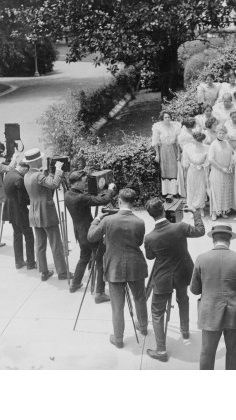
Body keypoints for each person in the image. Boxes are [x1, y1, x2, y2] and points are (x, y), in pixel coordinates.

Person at [144, 198, 205, 362]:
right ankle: (185, 331)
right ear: (164, 210)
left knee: (157, 313)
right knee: (183, 299)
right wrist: (195, 213)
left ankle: (161, 351)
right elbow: (200, 231)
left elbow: (150, 257)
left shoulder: (150, 238)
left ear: (150, 215)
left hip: (163, 278)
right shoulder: (180, 227)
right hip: (183, 273)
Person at [87, 188, 148, 349]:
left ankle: (119, 338)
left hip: (114, 267)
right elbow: (139, 242)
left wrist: (97, 218)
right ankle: (143, 327)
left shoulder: (108, 221)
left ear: (119, 201)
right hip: (135, 265)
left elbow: (91, 236)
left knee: (117, 306)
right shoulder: (140, 222)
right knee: (140, 299)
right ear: (133, 202)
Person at [190, 225, 236, 370]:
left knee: (207, 352)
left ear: (213, 239)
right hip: (235, 312)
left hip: (210, 312)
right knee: (234, 352)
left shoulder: (201, 258)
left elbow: (194, 289)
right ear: (229, 240)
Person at [64, 170, 116, 300]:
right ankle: (99, 293)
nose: (85, 184)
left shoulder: (68, 194)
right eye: (83, 182)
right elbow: (105, 199)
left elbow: (87, 198)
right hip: (90, 233)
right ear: (76, 184)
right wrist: (110, 189)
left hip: (79, 233)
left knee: (84, 258)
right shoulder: (81, 198)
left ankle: (75, 284)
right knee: (100, 261)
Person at [23, 148, 71, 281]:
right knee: (55, 242)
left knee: (40, 243)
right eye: (40, 159)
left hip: (34, 213)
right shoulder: (38, 176)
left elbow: (44, 185)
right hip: (46, 212)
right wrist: (58, 170)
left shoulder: (27, 175)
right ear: (37, 160)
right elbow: (55, 184)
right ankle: (62, 272)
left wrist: (48, 173)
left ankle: (43, 271)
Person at [2, 160, 36, 269]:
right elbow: (23, 200)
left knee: (17, 234)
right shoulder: (19, 179)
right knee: (29, 236)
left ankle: (18, 261)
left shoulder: (9, 174)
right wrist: (33, 199)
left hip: (10, 208)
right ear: (25, 169)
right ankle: (31, 262)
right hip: (19, 211)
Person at [152, 111, 181, 198]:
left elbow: (177, 142)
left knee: (174, 169)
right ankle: (166, 192)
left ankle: (174, 191)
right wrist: (157, 154)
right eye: (165, 117)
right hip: (163, 150)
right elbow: (156, 142)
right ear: (162, 119)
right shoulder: (158, 128)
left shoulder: (175, 127)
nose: (168, 119)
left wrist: (179, 153)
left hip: (173, 149)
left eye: (169, 117)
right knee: (164, 169)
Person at [208, 124, 234, 221]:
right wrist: (221, 168)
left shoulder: (227, 143)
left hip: (226, 172)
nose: (221, 135)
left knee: (224, 191)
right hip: (217, 172)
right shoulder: (213, 144)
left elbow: (231, 156)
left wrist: (231, 166)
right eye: (220, 133)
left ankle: (223, 211)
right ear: (216, 133)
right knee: (216, 191)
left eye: (223, 133)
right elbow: (211, 159)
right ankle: (214, 212)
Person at [181, 131, 209, 216]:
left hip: (201, 172)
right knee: (191, 189)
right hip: (192, 171)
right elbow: (185, 161)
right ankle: (191, 208)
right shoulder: (188, 148)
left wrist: (202, 165)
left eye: (193, 138)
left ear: (198, 140)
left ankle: (201, 208)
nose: (192, 140)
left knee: (201, 189)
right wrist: (190, 164)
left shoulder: (207, 148)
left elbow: (208, 161)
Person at [177, 118, 196, 199]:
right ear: (190, 126)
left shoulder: (189, 132)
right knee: (187, 176)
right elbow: (184, 147)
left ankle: (194, 194)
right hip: (187, 156)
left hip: (194, 155)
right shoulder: (184, 135)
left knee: (194, 176)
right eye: (194, 124)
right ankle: (188, 195)